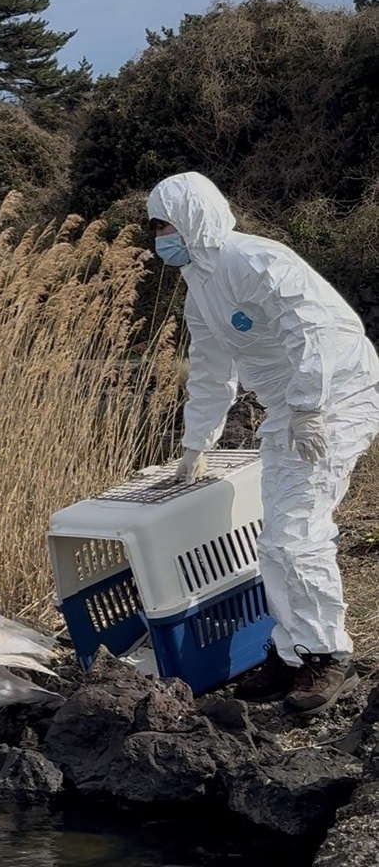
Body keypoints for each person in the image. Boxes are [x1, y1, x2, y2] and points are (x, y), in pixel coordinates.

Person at [147, 171, 379, 716]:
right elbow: (209, 369)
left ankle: (327, 653)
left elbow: (316, 331)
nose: (159, 236)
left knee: (298, 530)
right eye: (155, 226)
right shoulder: (200, 285)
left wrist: (306, 408)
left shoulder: (255, 261)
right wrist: (195, 444)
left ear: (193, 219)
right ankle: (292, 649)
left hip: (335, 398)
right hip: (289, 408)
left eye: (166, 223)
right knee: (274, 536)